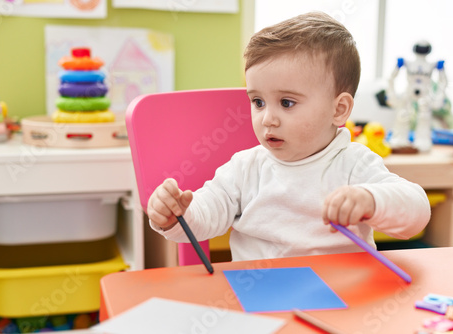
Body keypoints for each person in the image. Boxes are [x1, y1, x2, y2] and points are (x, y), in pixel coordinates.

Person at [147, 12, 431, 261]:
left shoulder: (355, 164)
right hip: (260, 297)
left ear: (339, 109)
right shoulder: (245, 168)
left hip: (340, 298)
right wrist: (179, 215)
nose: (267, 118)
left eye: (286, 103)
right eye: (258, 102)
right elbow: (208, 214)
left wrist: (371, 199)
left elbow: (416, 213)